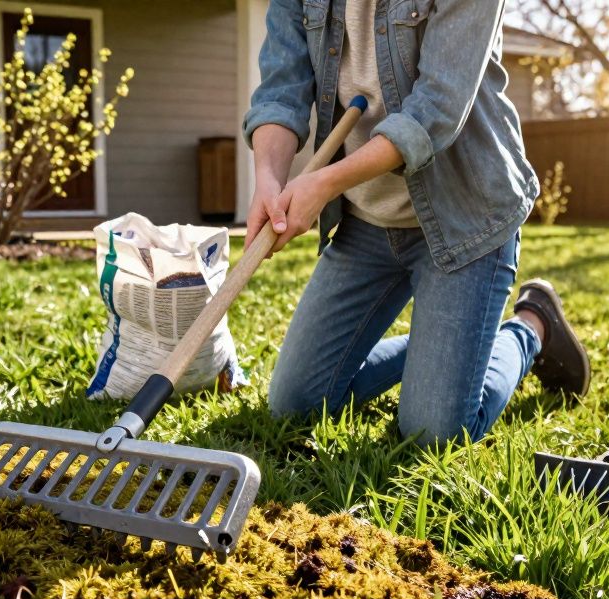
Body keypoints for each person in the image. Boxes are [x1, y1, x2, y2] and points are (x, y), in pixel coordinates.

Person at [243, 0, 590, 446]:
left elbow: (435, 111)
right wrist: (268, 181)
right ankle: (446, 350)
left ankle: (530, 325)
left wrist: (323, 184)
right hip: (366, 222)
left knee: (432, 433)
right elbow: (280, 90)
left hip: (464, 220)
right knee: (293, 404)